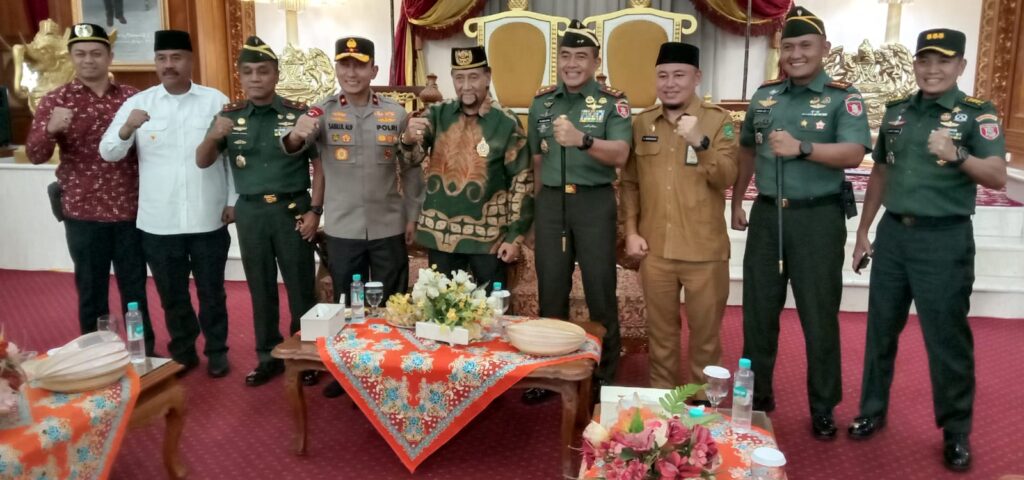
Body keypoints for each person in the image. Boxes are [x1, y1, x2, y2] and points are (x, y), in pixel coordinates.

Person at [847, 29, 1006, 472]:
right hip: (895, 236)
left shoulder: (977, 113)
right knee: (880, 331)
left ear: (960, 66)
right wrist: (864, 231)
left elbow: (996, 176)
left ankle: (956, 431)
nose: (932, 69)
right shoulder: (898, 111)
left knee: (947, 340)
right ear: (915, 64)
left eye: (943, 61)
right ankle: (871, 410)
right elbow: (881, 171)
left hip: (944, 240)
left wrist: (958, 155)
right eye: (925, 60)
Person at [731, 6, 871, 439]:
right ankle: (757, 397)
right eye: (788, 46)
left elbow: (854, 153)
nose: (795, 54)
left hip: (817, 219)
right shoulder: (765, 96)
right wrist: (737, 199)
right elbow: (747, 149)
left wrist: (803, 148)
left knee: (818, 315)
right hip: (768, 215)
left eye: (805, 45)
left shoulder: (842, 97)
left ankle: (823, 406)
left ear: (824, 48)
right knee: (758, 312)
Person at [283, 36, 423, 398]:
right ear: (336, 68)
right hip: (344, 227)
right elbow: (294, 147)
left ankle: (391, 367)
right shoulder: (322, 112)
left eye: (359, 65)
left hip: (388, 224)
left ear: (373, 70)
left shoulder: (395, 113)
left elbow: (411, 169)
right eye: (344, 64)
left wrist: (412, 215)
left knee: (393, 302)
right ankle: (348, 373)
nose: (351, 72)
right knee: (347, 305)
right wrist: (295, 135)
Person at [100, 30, 234, 378]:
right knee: (172, 295)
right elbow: (109, 152)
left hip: (208, 216)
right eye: (162, 58)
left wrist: (233, 199)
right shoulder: (139, 104)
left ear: (190, 61)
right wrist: (127, 128)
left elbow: (231, 157)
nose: (169, 65)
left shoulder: (215, 100)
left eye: (176, 57)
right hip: (159, 221)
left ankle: (217, 351)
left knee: (212, 292)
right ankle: (184, 351)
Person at [195, 36, 322, 387]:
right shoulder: (228, 116)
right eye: (248, 72)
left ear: (276, 75)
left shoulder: (296, 114)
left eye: (263, 71)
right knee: (260, 288)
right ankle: (267, 356)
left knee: (300, 286)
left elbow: (320, 165)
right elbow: (202, 161)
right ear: (240, 76)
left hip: (292, 210)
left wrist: (315, 210)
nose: (255, 78)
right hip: (251, 214)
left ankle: (305, 353)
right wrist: (213, 137)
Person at [26, 23, 154, 356]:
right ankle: (95, 355)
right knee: (91, 290)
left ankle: (143, 351)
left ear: (110, 56)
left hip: (130, 210)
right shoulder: (56, 100)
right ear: (71, 57)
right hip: (83, 212)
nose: (88, 60)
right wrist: (50, 130)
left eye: (96, 53)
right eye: (80, 54)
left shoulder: (133, 98)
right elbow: (35, 155)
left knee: (135, 290)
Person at [524, 20, 632, 404]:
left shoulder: (612, 102)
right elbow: (537, 161)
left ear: (595, 61)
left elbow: (621, 154)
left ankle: (603, 375)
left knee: (600, 289)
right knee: (551, 288)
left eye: (581, 56)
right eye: (566, 56)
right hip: (552, 203)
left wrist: (582, 140)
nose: (572, 64)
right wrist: (535, 213)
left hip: (593, 202)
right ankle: (551, 370)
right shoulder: (542, 102)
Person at [621, 42, 737, 395]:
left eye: (679, 75)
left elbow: (727, 177)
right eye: (663, 75)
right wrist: (631, 231)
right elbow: (630, 182)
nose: (670, 83)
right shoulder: (642, 122)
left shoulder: (718, 121)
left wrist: (700, 142)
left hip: (705, 252)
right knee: (661, 337)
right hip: (656, 251)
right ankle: (662, 402)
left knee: (705, 338)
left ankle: (702, 407)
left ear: (696, 77)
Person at [404, 46, 533, 291]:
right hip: (441, 238)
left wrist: (515, 237)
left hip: (490, 241)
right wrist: (407, 139)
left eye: (473, 77)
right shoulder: (437, 114)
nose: (466, 86)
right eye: (459, 78)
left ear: (487, 76)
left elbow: (522, 182)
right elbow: (412, 158)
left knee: (492, 309)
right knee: (440, 309)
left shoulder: (505, 122)